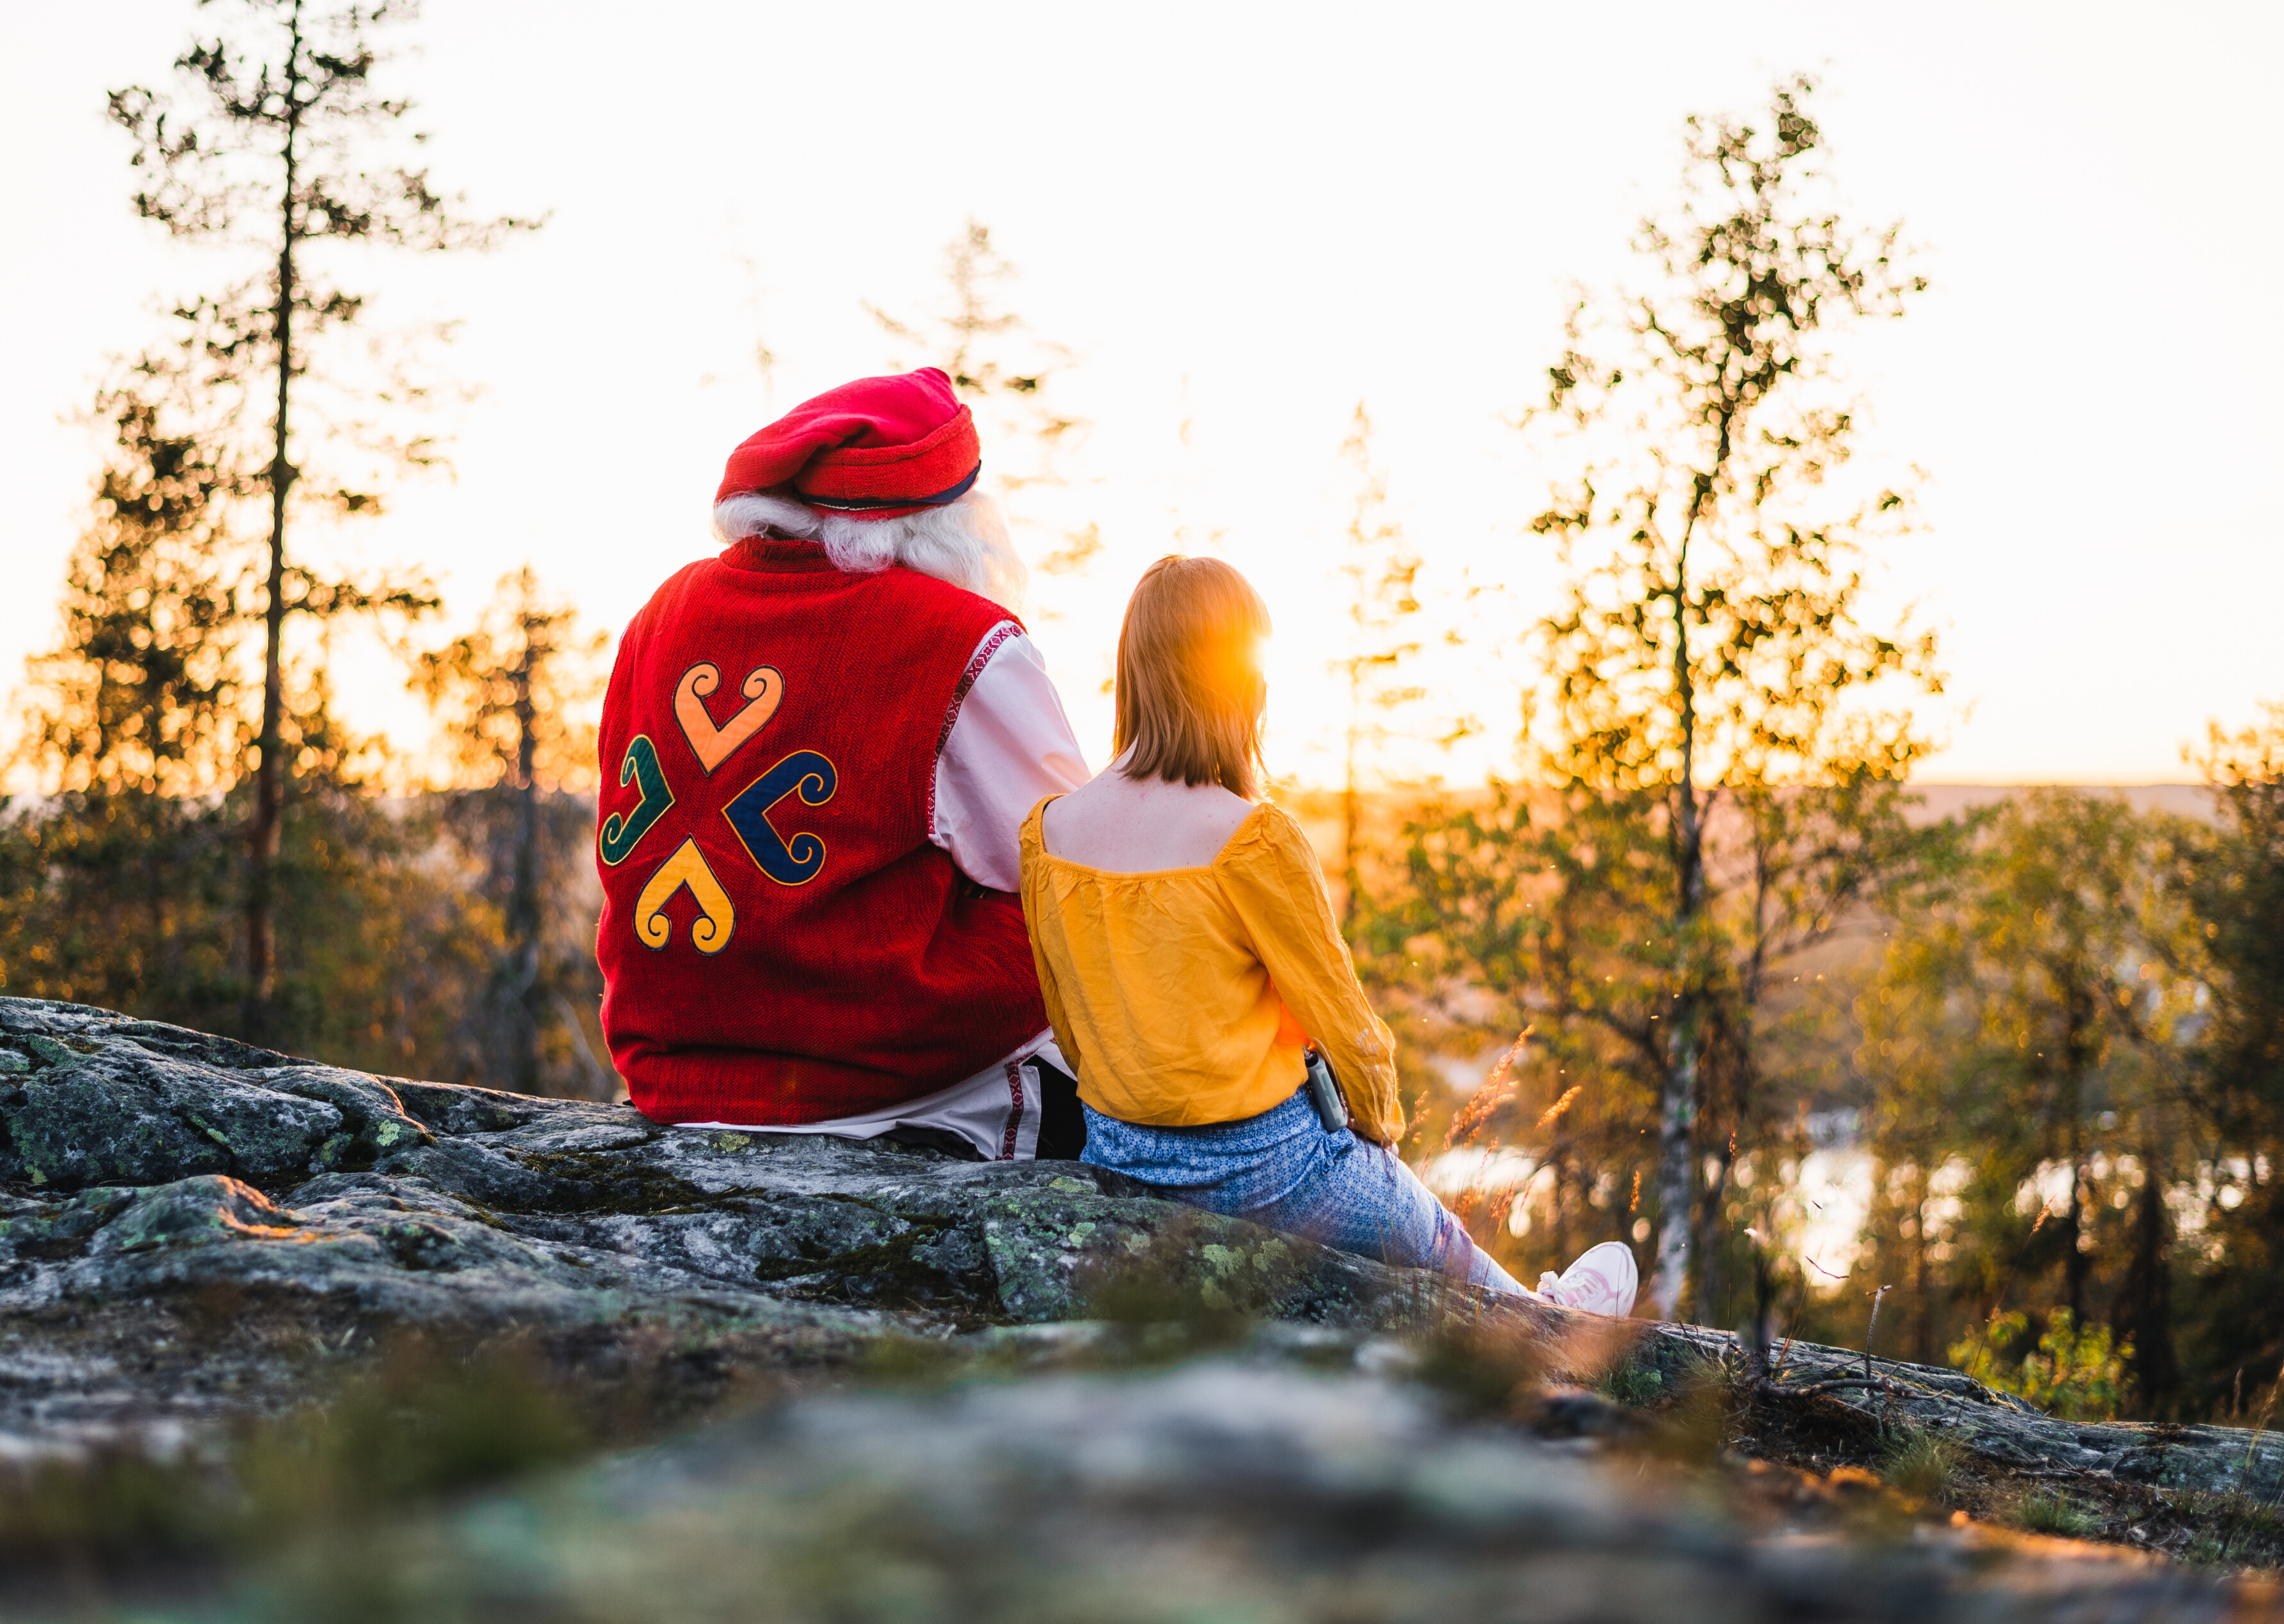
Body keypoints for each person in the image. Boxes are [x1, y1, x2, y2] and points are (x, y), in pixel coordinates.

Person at [1018, 555, 1639, 1312]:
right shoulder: (1252, 837)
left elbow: (1069, 1023)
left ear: (1136, 669)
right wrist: (1376, 1132)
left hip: (1119, 1152)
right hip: (1267, 1167)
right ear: (1240, 681)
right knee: (1439, 1242)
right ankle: (1556, 1325)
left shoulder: (1048, 834)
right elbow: (1343, 1019)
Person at [594, 369, 1092, 1160]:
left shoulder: (661, 611)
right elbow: (1073, 863)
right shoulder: (959, 637)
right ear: (952, 519)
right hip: (874, 1074)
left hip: (672, 1066)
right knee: (1085, 911)